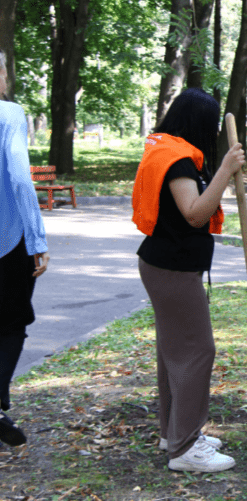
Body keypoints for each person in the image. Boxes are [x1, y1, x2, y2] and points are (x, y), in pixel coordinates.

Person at [132, 88, 245, 472]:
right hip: (172, 270)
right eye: (211, 123)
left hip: (166, 266)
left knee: (173, 352)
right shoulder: (178, 160)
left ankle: (173, 432)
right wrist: (227, 170)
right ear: (197, 121)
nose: (214, 131)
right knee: (198, 350)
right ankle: (184, 449)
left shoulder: (170, 151)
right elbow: (195, 213)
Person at [0, 49, 50, 448]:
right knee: (13, 323)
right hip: (8, 241)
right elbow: (19, 178)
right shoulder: (10, 114)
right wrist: (37, 240)